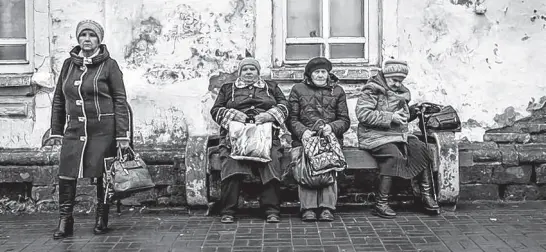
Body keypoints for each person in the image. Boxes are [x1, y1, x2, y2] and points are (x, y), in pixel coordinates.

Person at [49, 20, 132, 238]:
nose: (87, 39)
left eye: (92, 35)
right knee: (66, 174)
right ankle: (65, 220)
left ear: (99, 40)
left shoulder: (109, 65)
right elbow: (59, 98)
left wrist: (123, 135)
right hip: (74, 129)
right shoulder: (68, 64)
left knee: (103, 175)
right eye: (83, 35)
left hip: (103, 130)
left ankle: (101, 217)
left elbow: (120, 100)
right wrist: (56, 129)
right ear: (78, 39)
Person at [355, 60, 439, 219]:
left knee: (421, 149)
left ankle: (426, 196)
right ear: (385, 76)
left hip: (398, 135)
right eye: (393, 80)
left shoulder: (402, 92)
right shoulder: (372, 90)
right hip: (374, 135)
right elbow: (363, 114)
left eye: (400, 81)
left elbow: (404, 117)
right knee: (393, 156)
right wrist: (390, 117)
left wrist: (415, 111)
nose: (397, 84)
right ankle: (381, 203)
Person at [210, 57, 289, 223]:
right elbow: (216, 110)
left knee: (271, 161)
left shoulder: (271, 87)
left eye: (252, 69)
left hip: (266, 136)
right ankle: (228, 210)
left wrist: (269, 115)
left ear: (258, 72)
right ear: (240, 72)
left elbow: (285, 106)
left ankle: (271, 209)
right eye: (245, 69)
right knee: (232, 164)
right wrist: (234, 114)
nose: (248, 72)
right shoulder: (227, 88)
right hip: (235, 138)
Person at [287, 57, 350, 222]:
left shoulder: (337, 91)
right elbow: (291, 118)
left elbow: (344, 120)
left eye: (323, 72)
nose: (321, 75)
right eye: (317, 72)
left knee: (328, 169)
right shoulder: (298, 89)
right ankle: (308, 208)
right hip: (304, 140)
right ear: (310, 74)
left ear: (328, 74)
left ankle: (327, 208)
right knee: (306, 170)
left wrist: (332, 128)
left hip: (329, 140)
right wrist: (303, 133)